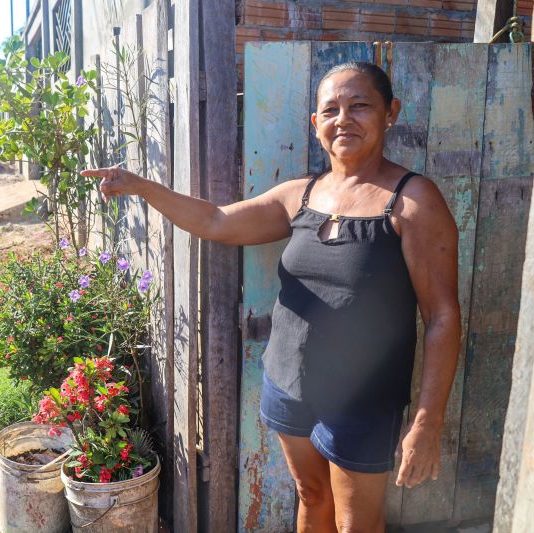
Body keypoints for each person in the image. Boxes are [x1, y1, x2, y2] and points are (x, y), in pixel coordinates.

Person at [81, 62, 460, 532]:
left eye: (360, 105)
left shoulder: (413, 202)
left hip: (365, 398)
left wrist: (427, 421)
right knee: (310, 493)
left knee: (355, 523)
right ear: (315, 124)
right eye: (331, 109)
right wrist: (139, 186)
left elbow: (442, 316)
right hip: (289, 383)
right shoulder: (300, 195)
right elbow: (215, 222)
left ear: (390, 113)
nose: (344, 119)